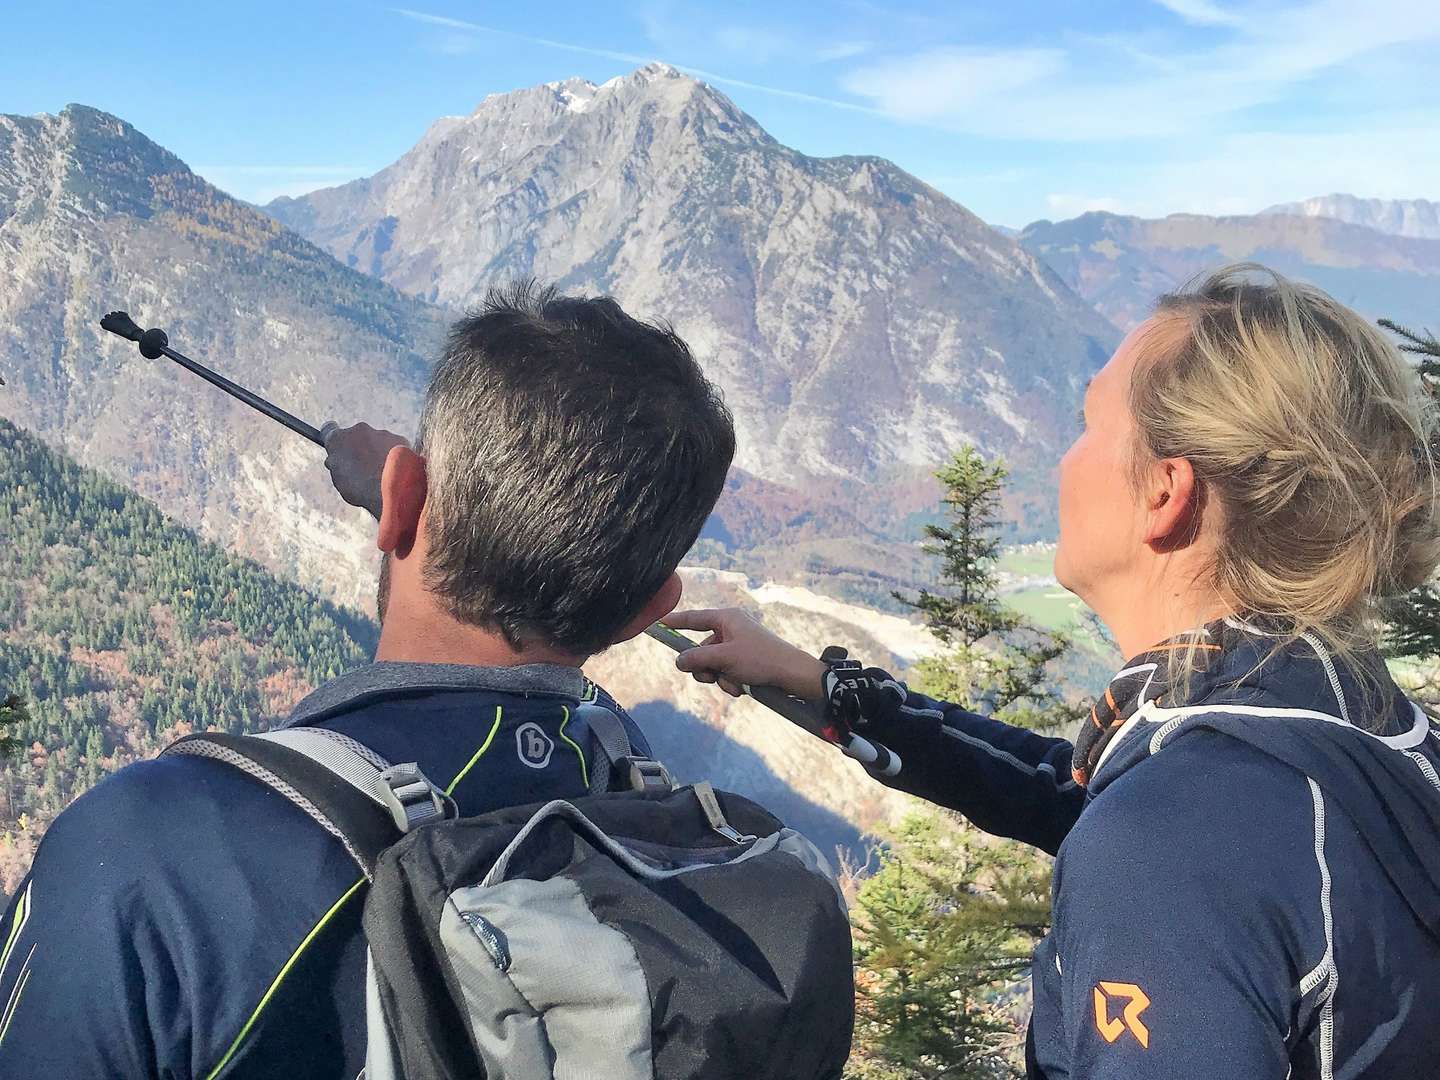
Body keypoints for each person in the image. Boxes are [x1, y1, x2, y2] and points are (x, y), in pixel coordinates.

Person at [671, 264, 1440, 1078]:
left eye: (1086, 427)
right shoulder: (1342, 722)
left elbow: (1156, 833)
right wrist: (827, 687)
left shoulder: (1175, 843)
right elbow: (1076, 792)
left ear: (1166, 493)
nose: (1065, 462)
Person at [0, 283, 734, 1077]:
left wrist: (416, 496)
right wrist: (417, 501)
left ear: (398, 498)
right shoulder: (637, 813)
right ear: (645, 612)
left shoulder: (150, 850)